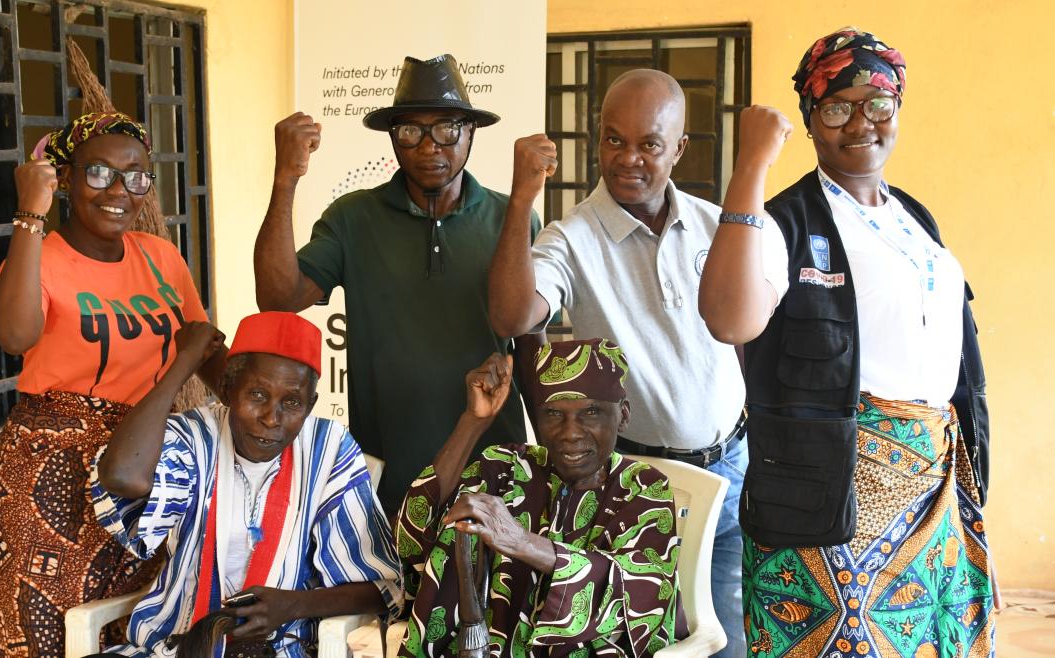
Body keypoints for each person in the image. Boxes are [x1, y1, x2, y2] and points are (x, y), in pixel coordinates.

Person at [698, 28, 994, 657]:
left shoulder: (913, 218)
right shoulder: (787, 222)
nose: (860, 122)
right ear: (810, 121)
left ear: (897, 109)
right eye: (836, 106)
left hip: (933, 478)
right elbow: (729, 319)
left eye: (877, 103)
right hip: (832, 490)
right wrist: (751, 163)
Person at [487, 69, 770, 657]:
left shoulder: (717, 224)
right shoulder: (573, 238)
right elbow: (513, 317)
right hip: (641, 481)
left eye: (649, 144)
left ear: (680, 149)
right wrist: (521, 200)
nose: (629, 159)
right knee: (646, 638)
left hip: (732, 465)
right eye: (614, 140)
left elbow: (740, 340)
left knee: (728, 641)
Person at [0, 112, 223, 658]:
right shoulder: (41, 258)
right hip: (48, 475)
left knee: (133, 626)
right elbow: (15, 336)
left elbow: (205, 353)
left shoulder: (160, 258)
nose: (119, 191)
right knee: (41, 635)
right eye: (98, 174)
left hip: (139, 467)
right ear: (63, 179)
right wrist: (29, 217)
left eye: (136, 176)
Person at [253, 54, 539, 514]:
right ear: (392, 137)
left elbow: (530, 345)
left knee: (494, 586)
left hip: (494, 463)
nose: (429, 148)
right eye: (410, 131)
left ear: (471, 131)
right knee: (391, 586)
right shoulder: (353, 217)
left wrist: (548, 458)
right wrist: (286, 178)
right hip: (387, 471)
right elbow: (278, 298)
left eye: (447, 129)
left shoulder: (512, 216)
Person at [90, 312, 402, 658]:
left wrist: (293, 606)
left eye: (292, 402)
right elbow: (123, 475)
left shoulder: (327, 448)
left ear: (310, 405)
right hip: (173, 645)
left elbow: (380, 587)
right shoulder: (195, 437)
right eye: (256, 394)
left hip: (280, 650)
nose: (272, 418)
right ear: (226, 390)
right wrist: (185, 363)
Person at [397, 339, 684, 657]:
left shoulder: (644, 487)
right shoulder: (508, 468)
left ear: (623, 415)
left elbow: (639, 591)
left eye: (591, 412)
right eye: (553, 414)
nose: (570, 432)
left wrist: (520, 541)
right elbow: (414, 535)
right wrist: (473, 422)